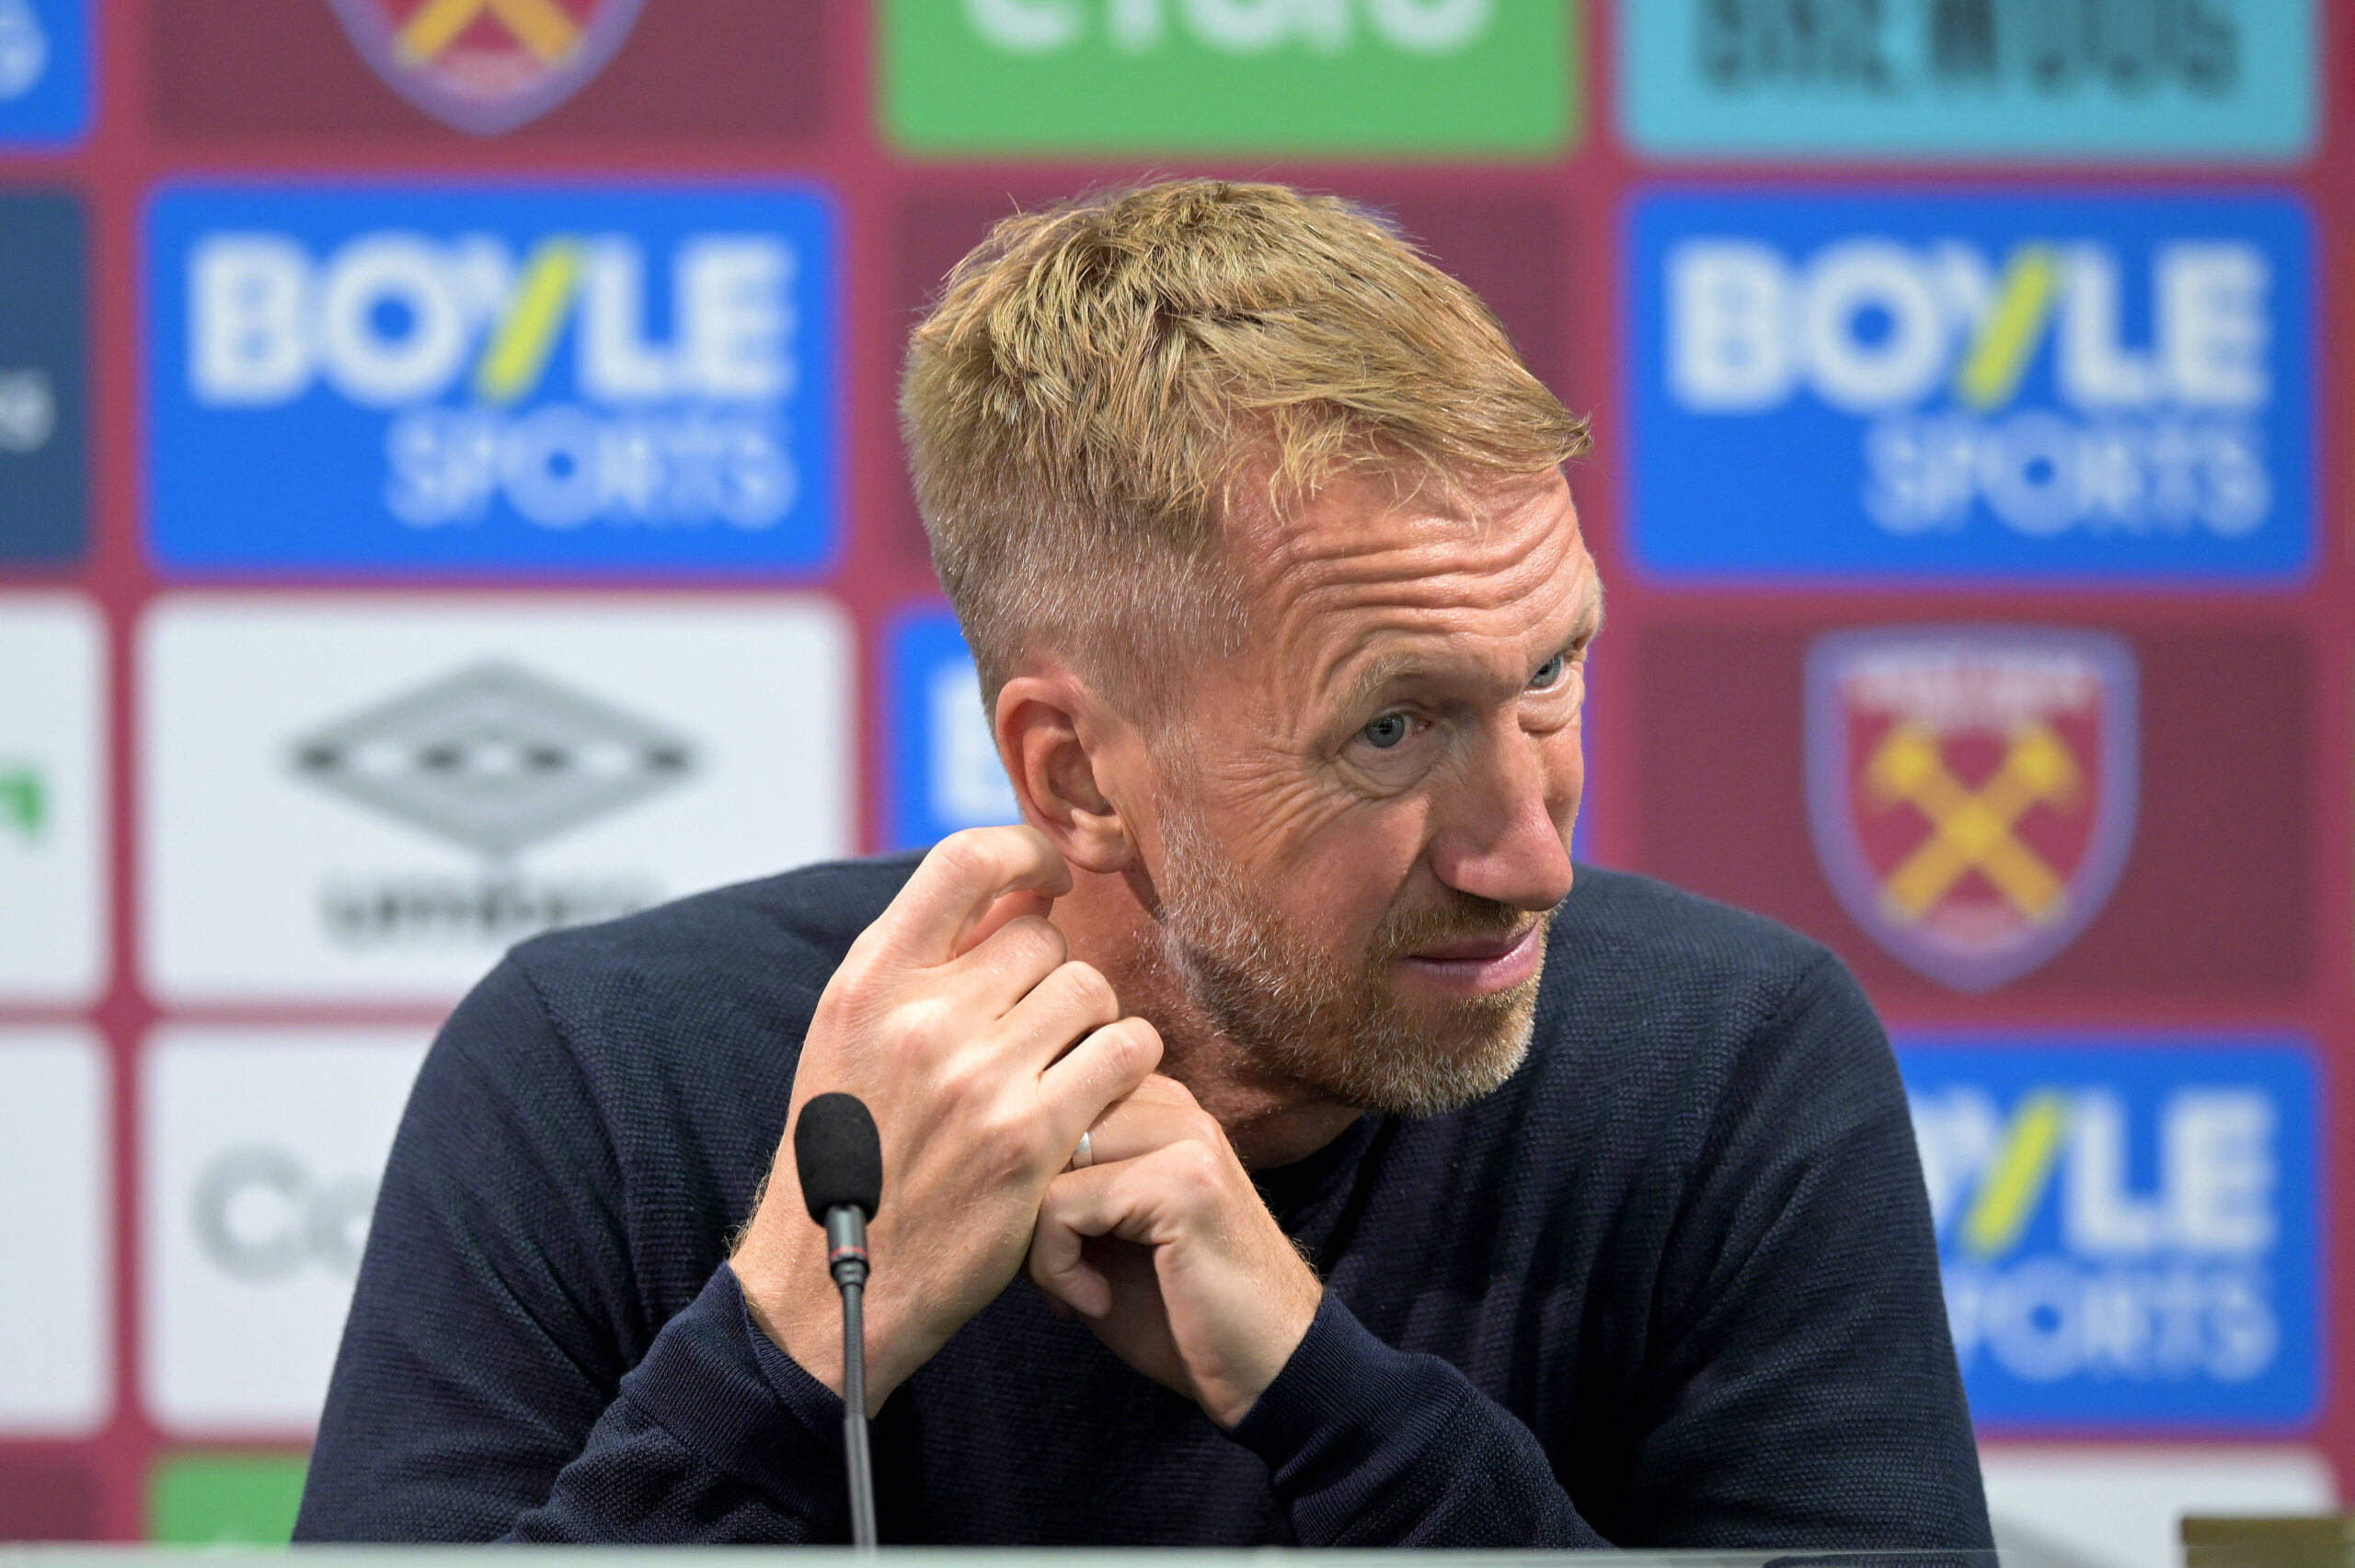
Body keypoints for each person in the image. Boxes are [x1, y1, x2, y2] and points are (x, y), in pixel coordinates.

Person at [294, 179, 1991, 1548]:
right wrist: (788, 1345)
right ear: (1076, 769)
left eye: (1548, 672)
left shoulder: (1726, 1065)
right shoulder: (607, 1075)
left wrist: (1337, 1403)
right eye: (1389, 731)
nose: (1529, 857)